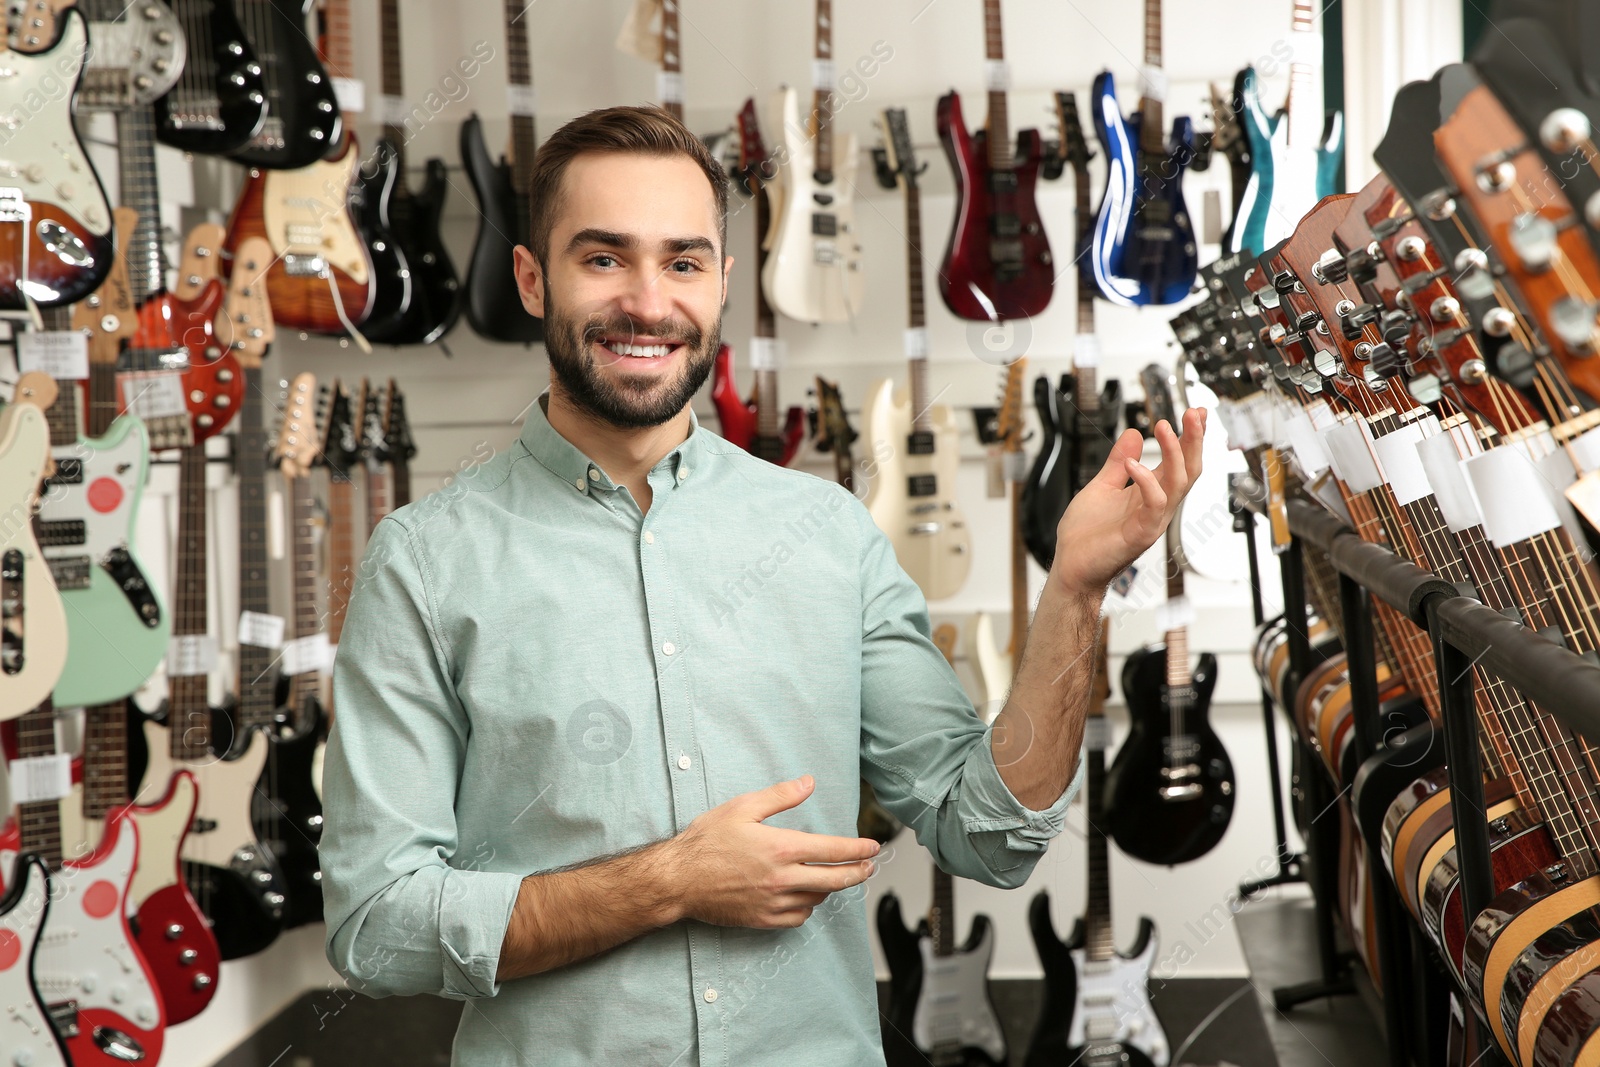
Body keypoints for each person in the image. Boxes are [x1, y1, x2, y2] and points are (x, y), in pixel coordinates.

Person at [321, 104, 1203, 1066]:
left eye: (685, 262)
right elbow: (375, 922)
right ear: (533, 279)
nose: (650, 303)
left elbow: (990, 834)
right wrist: (668, 881)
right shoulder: (424, 560)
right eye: (604, 258)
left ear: (724, 283)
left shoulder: (823, 532)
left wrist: (1072, 592)